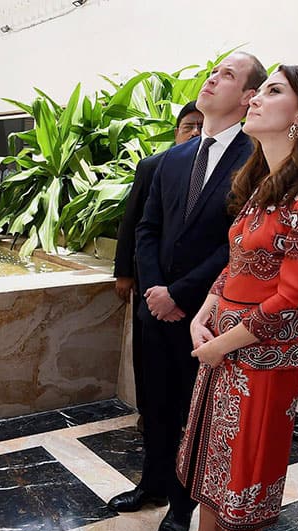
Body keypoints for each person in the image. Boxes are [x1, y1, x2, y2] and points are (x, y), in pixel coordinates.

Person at [159, 65, 298, 531]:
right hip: (224, 343)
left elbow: (292, 297)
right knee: (213, 464)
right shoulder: (264, 182)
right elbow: (236, 264)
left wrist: (222, 344)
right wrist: (204, 313)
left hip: (261, 359)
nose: (256, 99)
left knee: (246, 474)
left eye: (273, 92)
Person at [109, 52, 268, 531]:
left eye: (227, 75)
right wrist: (155, 290)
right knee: (154, 405)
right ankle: (151, 484)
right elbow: (147, 227)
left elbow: (237, 243)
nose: (212, 78)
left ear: (247, 98)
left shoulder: (259, 159)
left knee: (189, 414)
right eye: (212, 71)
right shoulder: (173, 159)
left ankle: (182, 505)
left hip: (207, 316)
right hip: (155, 308)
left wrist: (178, 294)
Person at [114, 101, 204, 431]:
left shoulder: (229, 167)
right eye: (188, 126)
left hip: (195, 289)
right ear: (177, 132)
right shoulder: (153, 165)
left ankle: (185, 416)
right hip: (150, 282)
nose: (195, 132)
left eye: (201, 126)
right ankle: (147, 410)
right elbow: (134, 222)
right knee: (146, 353)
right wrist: (125, 272)